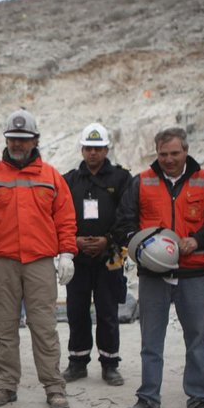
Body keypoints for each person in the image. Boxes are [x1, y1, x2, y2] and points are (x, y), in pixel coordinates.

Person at [0, 109, 78, 408]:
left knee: (44, 326)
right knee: (4, 326)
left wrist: (67, 253)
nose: (17, 144)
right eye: (13, 139)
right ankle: (6, 385)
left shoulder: (51, 177)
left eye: (23, 139)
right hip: (1, 263)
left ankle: (53, 387)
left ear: (35, 140)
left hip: (39, 262)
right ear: (6, 140)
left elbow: (65, 218)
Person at [113, 128, 204, 408]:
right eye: (163, 154)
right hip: (153, 275)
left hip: (194, 272)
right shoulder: (141, 182)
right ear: (157, 153)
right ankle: (148, 398)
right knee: (151, 340)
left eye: (174, 153)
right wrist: (139, 246)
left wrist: (198, 240)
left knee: (197, 338)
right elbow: (124, 221)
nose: (168, 159)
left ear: (186, 151)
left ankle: (200, 400)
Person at [61, 123, 131, 386]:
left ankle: (110, 364)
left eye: (98, 148)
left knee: (107, 311)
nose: (93, 153)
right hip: (77, 259)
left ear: (106, 150)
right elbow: (60, 215)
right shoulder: (69, 180)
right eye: (89, 148)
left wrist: (108, 240)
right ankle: (77, 362)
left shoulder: (122, 179)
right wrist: (74, 241)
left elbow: (127, 214)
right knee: (76, 311)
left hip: (109, 258)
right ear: (82, 149)